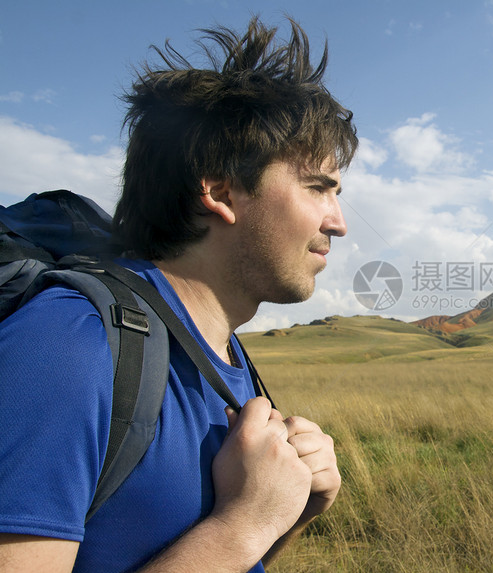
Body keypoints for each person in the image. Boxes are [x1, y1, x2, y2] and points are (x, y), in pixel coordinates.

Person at [0, 16, 358, 572]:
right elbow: (228, 538)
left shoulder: (224, 354)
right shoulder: (70, 343)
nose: (337, 222)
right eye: (318, 187)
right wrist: (245, 525)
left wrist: (290, 512)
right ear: (219, 190)